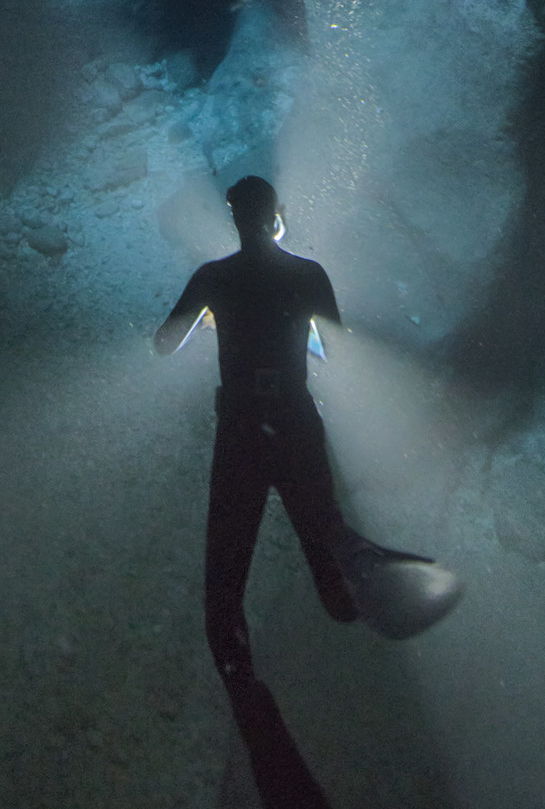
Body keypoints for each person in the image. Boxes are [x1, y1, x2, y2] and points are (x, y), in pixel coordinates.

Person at [155, 174, 462, 684]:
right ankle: (358, 580)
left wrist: (212, 322)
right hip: (295, 421)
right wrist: (296, 335)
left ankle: (238, 671)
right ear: (275, 214)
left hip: (241, 429)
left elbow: (164, 343)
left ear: (234, 215)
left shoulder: (214, 278)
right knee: (327, 553)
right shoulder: (308, 275)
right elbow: (337, 350)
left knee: (226, 568)